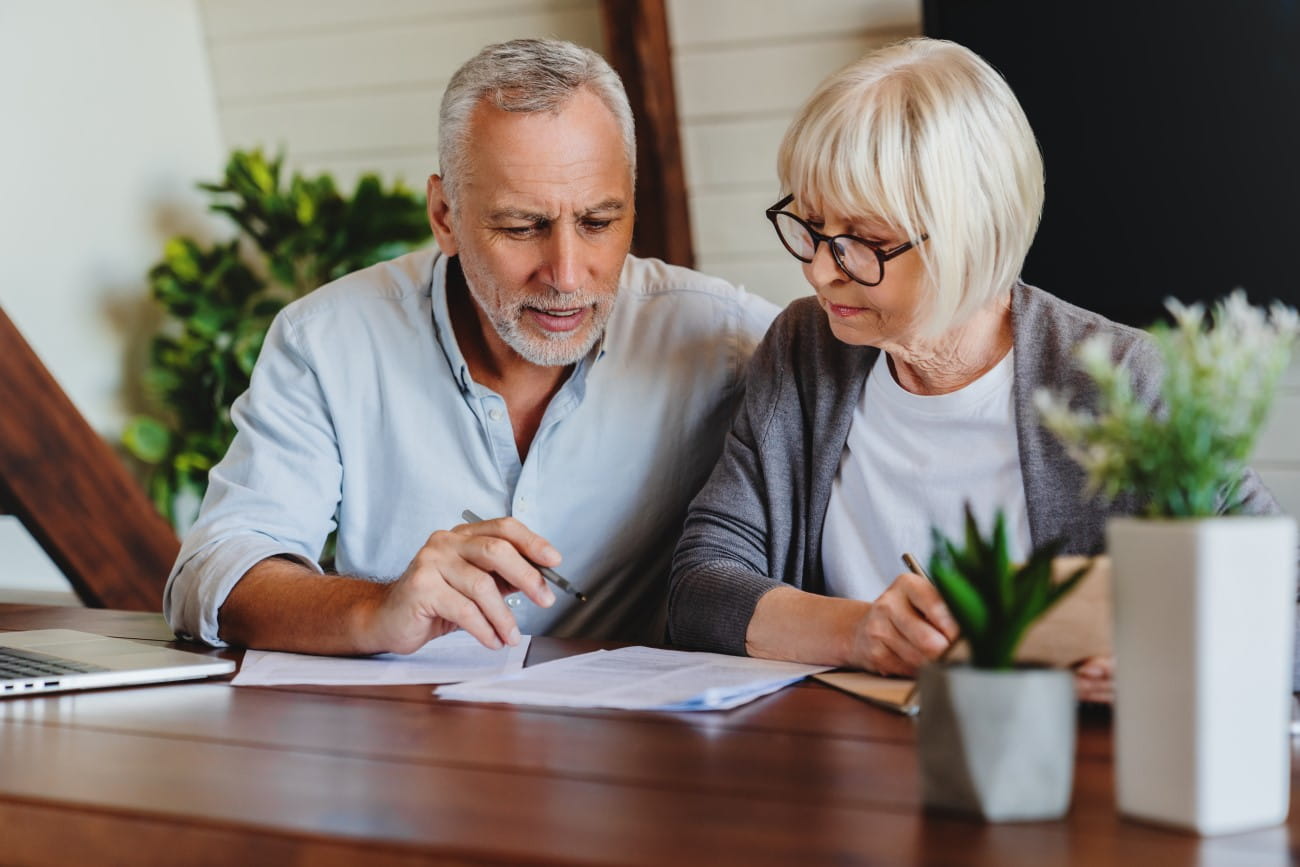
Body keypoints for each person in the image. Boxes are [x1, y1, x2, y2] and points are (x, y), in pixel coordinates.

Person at [666, 37, 1285, 701]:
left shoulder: (1123, 381)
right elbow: (700, 585)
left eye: (865, 242)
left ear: (971, 232)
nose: (820, 269)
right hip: (843, 767)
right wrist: (857, 631)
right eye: (812, 227)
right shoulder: (803, 350)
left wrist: (1175, 659)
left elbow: (1283, 597)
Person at [163, 39, 777, 654]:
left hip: (639, 740)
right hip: (413, 736)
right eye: (521, 226)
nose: (566, 274)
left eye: (598, 222)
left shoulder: (724, 339)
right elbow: (213, 572)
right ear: (444, 216)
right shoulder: (327, 342)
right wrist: (379, 609)